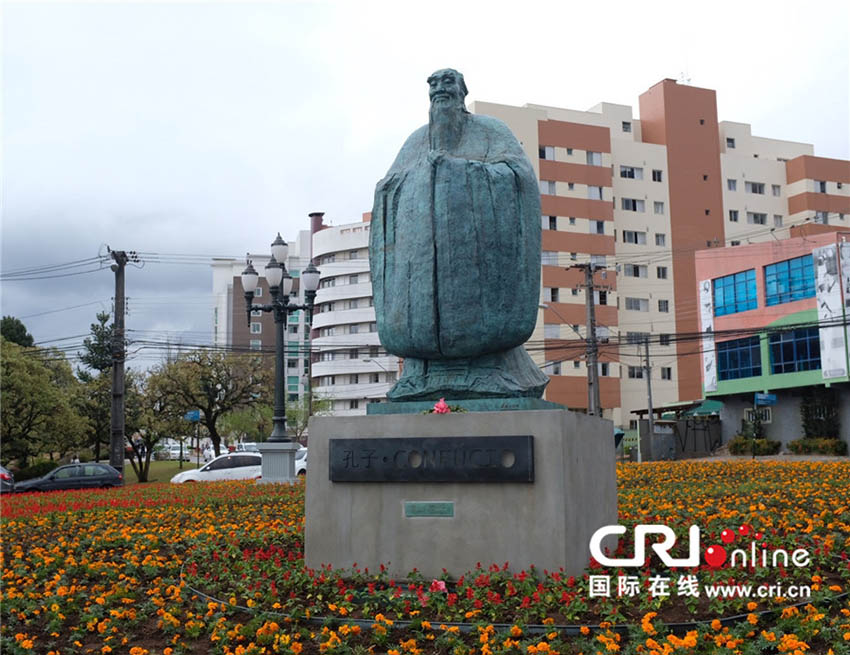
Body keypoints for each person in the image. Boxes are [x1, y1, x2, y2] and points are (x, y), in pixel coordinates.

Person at [370, 69, 547, 401]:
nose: (440, 89)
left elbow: (519, 176)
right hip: (424, 267)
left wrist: (458, 172)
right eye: (433, 84)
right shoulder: (415, 141)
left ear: (462, 91)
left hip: (477, 264)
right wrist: (422, 180)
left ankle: (490, 366)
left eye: (447, 83)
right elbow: (388, 189)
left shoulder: (492, 131)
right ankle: (423, 370)